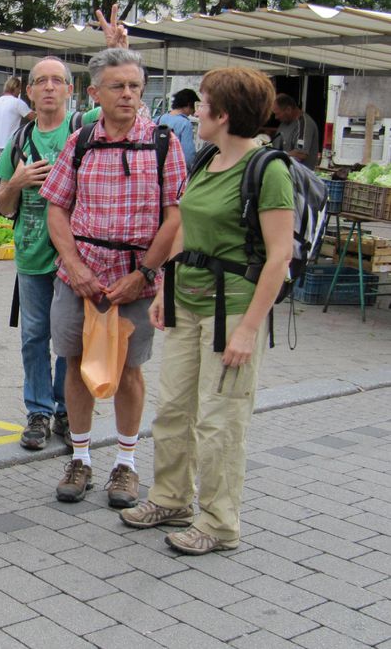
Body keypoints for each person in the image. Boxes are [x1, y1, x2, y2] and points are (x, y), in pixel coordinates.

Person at [121, 68, 293, 555]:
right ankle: (171, 499)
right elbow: (182, 229)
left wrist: (249, 330)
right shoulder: (205, 160)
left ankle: (219, 523)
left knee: (220, 421)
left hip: (232, 312)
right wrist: (162, 290)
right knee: (174, 409)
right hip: (186, 302)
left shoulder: (268, 170)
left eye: (204, 104)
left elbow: (280, 256)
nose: (196, 111)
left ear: (223, 113)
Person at [41, 47, 186, 509]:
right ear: (95, 92)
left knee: (128, 371)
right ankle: (80, 457)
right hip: (78, 278)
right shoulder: (80, 141)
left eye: (135, 87)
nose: (128, 95)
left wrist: (144, 274)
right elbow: (56, 207)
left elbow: (175, 218)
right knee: (76, 365)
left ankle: (126, 464)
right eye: (118, 86)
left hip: (135, 281)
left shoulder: (164, 142)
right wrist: (77, 268)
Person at [0, 58, 90, 451]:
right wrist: (16, 181)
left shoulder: (84, 129)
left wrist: (117, 47)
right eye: (40, 82)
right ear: (28, 92)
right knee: (35, 337)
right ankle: (38, 411)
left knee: (70, 338)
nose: (49, 87)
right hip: (32, 256)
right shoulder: (19, 139)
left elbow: (127, 94)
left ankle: (66, 407)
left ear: (70, 89)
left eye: (57, 81)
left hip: (77, 258)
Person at [0, 77, 35, 216]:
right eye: (19, 89)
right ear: (16, 88)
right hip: (11, 147)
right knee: (8, 179)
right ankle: (6, 209)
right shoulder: (18, 103)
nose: (20, 91)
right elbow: (34, 118)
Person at [272, 94, 320, 169]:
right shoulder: (284, 122)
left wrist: (274, 157)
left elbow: (300, 154)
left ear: (288, 109)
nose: (276, 117)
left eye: (277, 114)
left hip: (297, 176)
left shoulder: (304, 125)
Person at [157, 88, 199, 170]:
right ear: (189, 104)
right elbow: (188, 154)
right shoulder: (185, 123)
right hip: (175, 169)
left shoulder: (158, 119)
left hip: (157, 167)